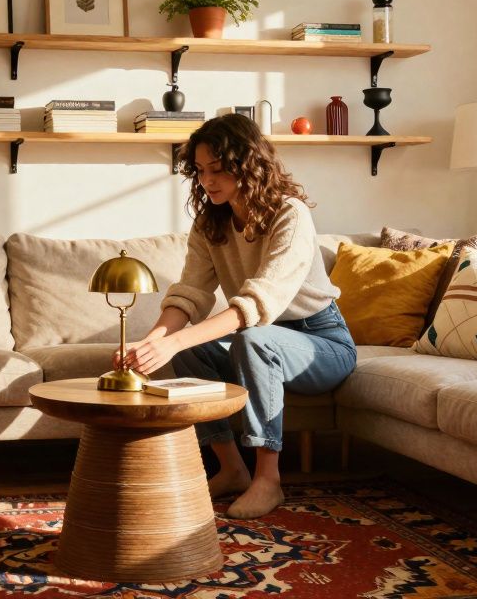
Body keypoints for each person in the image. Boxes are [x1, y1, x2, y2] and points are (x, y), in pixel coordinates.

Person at [123, 113, 357, 519]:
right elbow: (190, 294)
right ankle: (231, 468)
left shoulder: (291, 214)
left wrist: (175, 339)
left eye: (217, 170)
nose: (207, 181)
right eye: (199, 171)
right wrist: (154, 341)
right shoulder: (210, 222)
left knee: (250, 338)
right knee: (192, 349)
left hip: (323, 342)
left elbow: (258, 304)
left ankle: (268, 480)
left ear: (247, 164)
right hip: (261, 336)